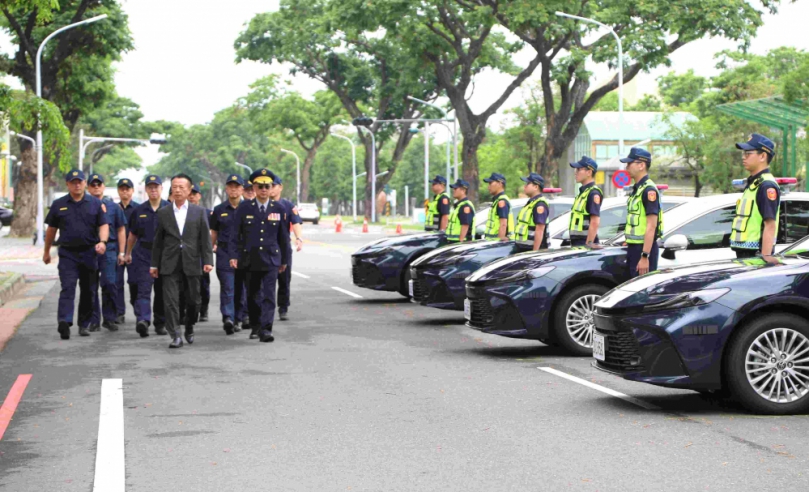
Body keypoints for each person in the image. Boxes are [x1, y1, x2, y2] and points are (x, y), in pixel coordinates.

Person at [43, 169, 109, 339]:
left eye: (80, 181)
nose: (77, 184)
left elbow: (103, 224)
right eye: (73, 182)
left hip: (89, 253)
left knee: (88, 290)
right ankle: (64, 321)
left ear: (85, 183)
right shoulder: (59, 204)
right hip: (67, 254)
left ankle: (84, 324)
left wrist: (102, 242)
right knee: (68, 287)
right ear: (68, 184)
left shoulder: (94, 203)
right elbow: (51, 229)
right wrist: (46, 251)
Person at [150, 174, 214, 349]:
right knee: (170, 300)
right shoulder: (163, 212)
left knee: (194, 300)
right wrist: (154, 264)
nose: (177, 190)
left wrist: (208, 260)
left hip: (192, 261)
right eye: (174, 187)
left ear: (189, 189)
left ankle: (190, 326)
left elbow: (205, 239)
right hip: (169, 262)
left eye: (181, 187)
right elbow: (158, 241)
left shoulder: (199, 212)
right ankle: (175, 335)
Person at [229, 168, 289, 342]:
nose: (263, 189)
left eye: (267, 186)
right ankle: (255, 325)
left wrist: (284, 260)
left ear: (271, 188)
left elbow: (283, 236)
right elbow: (235, 234)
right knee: (253, 296)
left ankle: (266, 329)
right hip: (250, 259)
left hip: (271, 258)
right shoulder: (244, 207)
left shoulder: (278, 207)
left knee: (269, 295)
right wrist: (233, 255)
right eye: (260, 186)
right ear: (254, 187)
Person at [125, 175, 170, 337]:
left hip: (164, 255)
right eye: (150, 187)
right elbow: (132, 235)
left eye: (156, 186)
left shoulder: (169, 208)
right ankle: (143, 320)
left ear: (161, 189)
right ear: (146, 189)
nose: (153, 189)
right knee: (143, 289)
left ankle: (160, 323)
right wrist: (127, 253)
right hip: (143, 254)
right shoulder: (139, 211)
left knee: (161, 291)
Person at [86, 174, 127, 332]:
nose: (96, 187)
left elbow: (121, 229)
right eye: (93, 184)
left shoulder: (113, 207)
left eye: (99, 184)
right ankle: (94, 319)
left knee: (110, 283)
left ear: (103, 186)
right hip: (89, 248)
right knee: (91, 286)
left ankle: (109, 318)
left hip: (109, 248)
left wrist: (122, 252)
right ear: (88, 187)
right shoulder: (84, 205)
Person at [732, 133, 781, 259]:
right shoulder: (755, 183)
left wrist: (765, 257)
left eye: (748, 153)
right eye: (743, 153)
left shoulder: (766, 185)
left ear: (762, 156)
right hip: (746, 255)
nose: (743, 157)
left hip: (756, 256)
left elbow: (770, 225)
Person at [210, 175, 246, 334]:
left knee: (241, 288)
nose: (233, 189)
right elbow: (214, 232)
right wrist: (208, 251)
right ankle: (228, 318)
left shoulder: (249, 208)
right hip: (224, 252)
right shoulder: (219, 210)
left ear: (242, 189)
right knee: (227, 286)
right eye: (230, 186)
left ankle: (238, 318)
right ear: (226, 189)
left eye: (237, 186)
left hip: (244, 253)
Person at [620, 148, 663, 278]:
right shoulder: (638, 189)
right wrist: (630, 240)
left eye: (629, 163)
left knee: (641, 294)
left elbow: (651, 225)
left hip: (643, 251)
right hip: (635, 248)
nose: (626, 167)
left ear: (641, 165)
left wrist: (645, 256)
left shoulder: (648, 190)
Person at [268, 176, 303, 321]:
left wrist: (299, 238)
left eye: (274, 185)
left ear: (280, 187)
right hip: (266, 247)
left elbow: (295, 222)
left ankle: (283, 308)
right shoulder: (261, 205)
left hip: (283, 247)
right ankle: (265, 308)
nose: (270, 188)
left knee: (284, 279)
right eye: (268, 185)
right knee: (266, 280)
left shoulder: (288, 206)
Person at [116, 178, 139, 324]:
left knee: (135, 282)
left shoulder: (139, 208)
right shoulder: (113, 208)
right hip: (117, 251)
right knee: (116, 283)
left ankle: (138, 308)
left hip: (135, 251)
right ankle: (119, 312)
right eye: (122, 188)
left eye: (128, 188)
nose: (125, 191)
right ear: (118, 191)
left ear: (132, 190)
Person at [187, 183, 211, 322]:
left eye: (194, 194)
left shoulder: (206, 213)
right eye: (190, 194)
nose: (191, 197)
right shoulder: (181, 212)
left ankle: (204, 309)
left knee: (203, 283)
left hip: (201, 254)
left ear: (199, 196)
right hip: (187, 253)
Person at [569, 157, 603, 247]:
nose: (575, 172)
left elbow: (595, 221)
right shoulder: (583, 193)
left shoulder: (593, 193)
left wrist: (588, 245)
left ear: (589, 172)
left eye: (579, 169)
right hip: (577, 243)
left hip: (585, 244)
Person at [234, 177, 254, 327]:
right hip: (238, 253)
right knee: (236, 288)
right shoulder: (239, 208)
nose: (250, 193)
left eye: (252, 190)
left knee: (251, 288)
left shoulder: (261, 208)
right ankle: (237, 317)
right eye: (247, 190)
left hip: (253, 254)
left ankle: (247, 316)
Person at [515, 173, 550, 251]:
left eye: (527, 184)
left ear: (536, 187)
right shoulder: (531, 203)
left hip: (531, 251)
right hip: (524, 249)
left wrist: (534, 253)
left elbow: (540, 230)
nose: (525, 186)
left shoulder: (540, 205)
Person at [482, 172, 514, 241]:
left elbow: (503, 225)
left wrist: (498, 244)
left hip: (497, 244)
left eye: (490, 183)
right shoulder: (497, 201)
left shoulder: (502, 201)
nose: (488, 187)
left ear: (500, 184)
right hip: (491, 242)